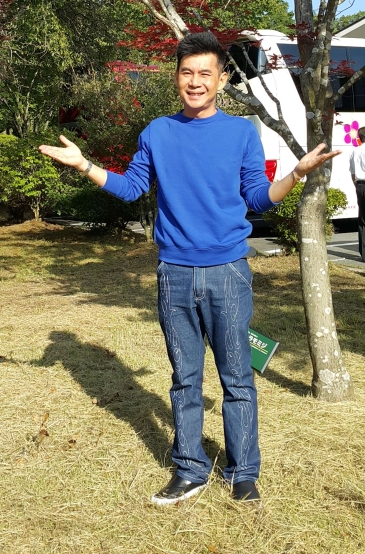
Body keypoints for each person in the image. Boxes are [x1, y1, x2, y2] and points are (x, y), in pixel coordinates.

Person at [39, 31, 340, 505]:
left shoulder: (241, 132)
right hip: (174, 274)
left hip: (228, 273)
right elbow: (132, 188)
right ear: (176, 78)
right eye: (186, 73)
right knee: (185, 379)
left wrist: (296, 174)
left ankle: (243, 473)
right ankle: (190, 469)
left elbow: (256, 198)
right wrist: (84, 166)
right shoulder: (157, 132)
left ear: (221, 79)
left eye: (205, 73)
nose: (195, 82)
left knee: (237, 378)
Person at [349, 126, 365, 259]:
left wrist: (357, 185)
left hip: (360, 185)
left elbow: (353, 174)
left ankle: (364, 254)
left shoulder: (355, 151)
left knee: (363, 220)